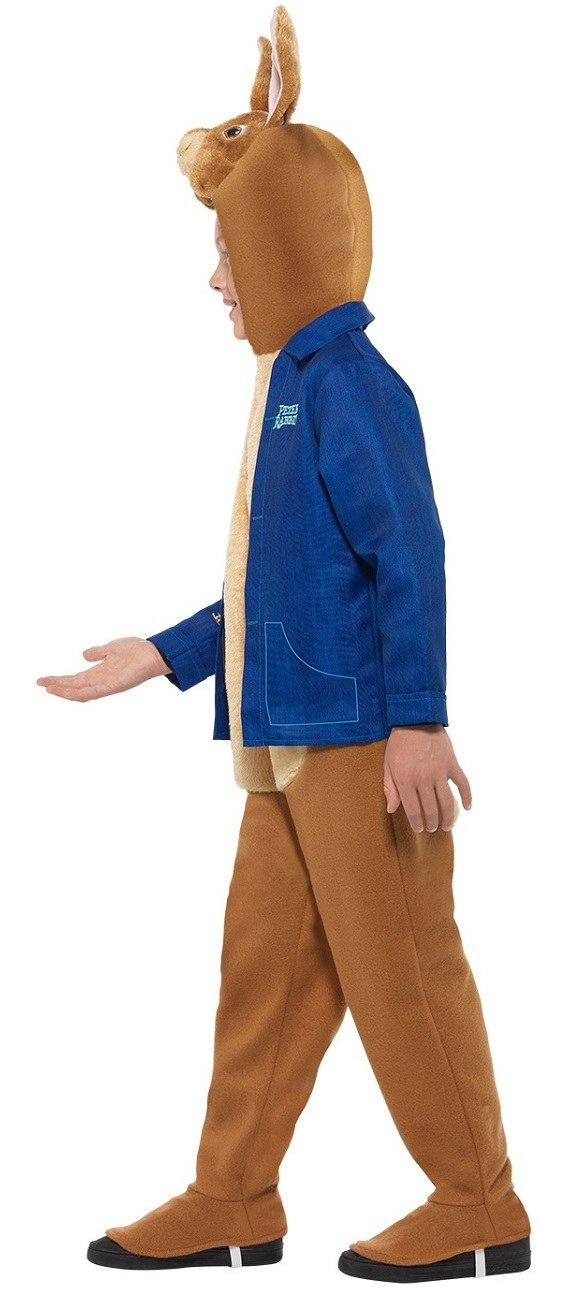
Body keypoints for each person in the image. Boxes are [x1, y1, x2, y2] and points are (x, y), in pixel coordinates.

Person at [36, 5, 531, 1283]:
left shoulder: (351, 382)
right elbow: (285, 580)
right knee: (261, 972)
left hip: (361, 740)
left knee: (401, 972)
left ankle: (478, 1199)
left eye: (226, 249)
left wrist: (417, 717)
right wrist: (165, 651)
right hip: (283, 743)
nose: (214, 278)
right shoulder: (287, 388)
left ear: (282, 244)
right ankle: (233, 1193)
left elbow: (407, 554)